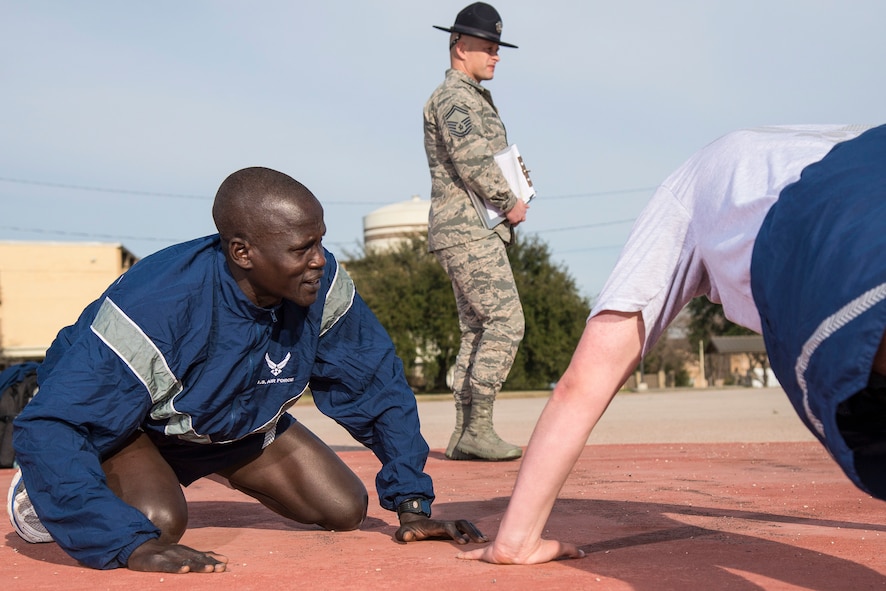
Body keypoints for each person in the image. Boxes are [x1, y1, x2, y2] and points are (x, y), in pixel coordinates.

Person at [7, 166, 486, 573]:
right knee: (155, 524)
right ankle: (44, 486)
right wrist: (125, 545)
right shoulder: (157, 306)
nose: (319, 260)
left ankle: (198, 461)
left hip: (227, 419)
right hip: (134, 422)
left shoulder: (322, 285)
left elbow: (376, 385)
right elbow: (50, 426)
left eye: (320, 241)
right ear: (243, 253)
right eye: (303, 248)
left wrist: (411, 504)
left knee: (344, 508)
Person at [457, 123, 886, 564]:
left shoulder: (692, 189)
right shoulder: (804, 143)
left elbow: (584, 382)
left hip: (826, 227)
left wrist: (515, 540)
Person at [424, 2, 529, 461]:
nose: (496, 56)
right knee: (507, 322)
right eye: (488, 47)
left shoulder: (469, 96)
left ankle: (466, 433)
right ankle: (478, 430)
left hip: (469, 229)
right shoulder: (455, 99)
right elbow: (472, 162)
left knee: (476, 328)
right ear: (460, 46)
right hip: (468, 228)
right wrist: (510, 202)